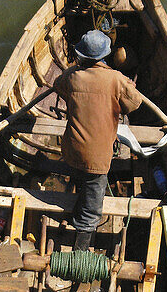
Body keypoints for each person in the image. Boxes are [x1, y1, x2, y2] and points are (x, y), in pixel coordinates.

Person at [53, 29, 142, 250]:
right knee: (91, 208)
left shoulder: (72, 76)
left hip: (71, 151)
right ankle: (81, 247)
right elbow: (134, 104)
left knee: (80, 172)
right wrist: (128, 87)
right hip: (97, 159)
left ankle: (77, 186)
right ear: (105, 56)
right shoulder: (116, 79)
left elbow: (58, 85)